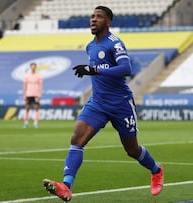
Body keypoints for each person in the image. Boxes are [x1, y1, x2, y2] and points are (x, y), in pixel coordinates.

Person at [43, 6, 163, 202]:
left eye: (99, 17)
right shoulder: (90, 46)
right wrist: (93, 71)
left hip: (120, 104)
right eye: (92, 16)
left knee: (132, 150)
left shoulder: (114, 43)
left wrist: (95, 70)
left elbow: (126, 68)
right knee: (77, 140)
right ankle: (66, 186)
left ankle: (156, 170)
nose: (93, 19)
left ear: (108, 22)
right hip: (97, 103)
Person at [23, 62, 43, 128]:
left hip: (36, 94)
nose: (33, 68)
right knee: (27, 108)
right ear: (30, 67)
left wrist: (39, 94)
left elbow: (40, 86)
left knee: (36, 108)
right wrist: (24, 95)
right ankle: (26, 122)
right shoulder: (27, 76)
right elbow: (24, 86)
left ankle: (36, 123)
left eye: (34, 67)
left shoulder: (39, 76)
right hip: (28, 94)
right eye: (32, 67)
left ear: (36, 67)